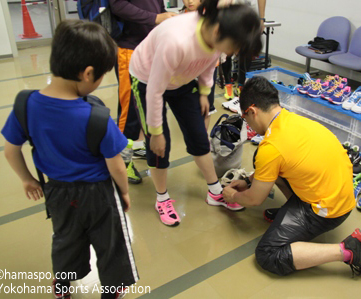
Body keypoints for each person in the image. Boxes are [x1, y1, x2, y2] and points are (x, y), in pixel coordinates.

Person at [1, 20, 138, 299]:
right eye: (101, 77)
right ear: (88, 74)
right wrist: (123, 192)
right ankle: (111, 291)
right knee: (111, 243)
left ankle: (62, 287)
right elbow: (116, 165)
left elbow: (10, 149)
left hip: (58, 192)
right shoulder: (96, 116)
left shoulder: (25, 105)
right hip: (99, 194)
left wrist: (27, 179)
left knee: (65, 239)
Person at [222, 77, 361, 277]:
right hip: (341, 195)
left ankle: (347, 250)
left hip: (328, 211)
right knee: (265, 162)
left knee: (267, 255)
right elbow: (281, 164)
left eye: (246, 118)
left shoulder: (271, 146)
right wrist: (247, 181)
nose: (249, 125)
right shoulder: (292, 119)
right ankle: (291, 212)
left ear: (252, 111)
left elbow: (255, 199)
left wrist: (233, 196)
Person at [129, 0, 262, 226]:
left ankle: (214, 191)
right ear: (219, 31)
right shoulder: (177, 40)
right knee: (160, 145)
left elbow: (208, 63)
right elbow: (154, 90)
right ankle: (161, 198)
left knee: (199, 135)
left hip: (182, 79)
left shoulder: (216, 35)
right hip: (147, 79)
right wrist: (155, 131)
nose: (234, 52)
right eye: (235, 46)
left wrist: (203, 92)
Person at [109, 0, 177, 183]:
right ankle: (121, 161)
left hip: (151, 47)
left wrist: (164, 18)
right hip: (129, 48)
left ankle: (133, 147)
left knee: (147, 103)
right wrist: (155, 18)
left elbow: (158, 6)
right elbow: (118, 5)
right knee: (128, 108)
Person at [180, 0, 217, 130]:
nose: (189, 1)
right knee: (189, 102)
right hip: (187, 68)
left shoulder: (210, 16)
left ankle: (204, 136)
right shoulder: (179, 18)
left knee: (207, 103)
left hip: (208, 67)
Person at [222, 0, 266, 99]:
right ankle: (228, 84)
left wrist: (261, 18)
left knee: (247, 49)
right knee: (227, 48)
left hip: (249, 12)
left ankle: (241, 85)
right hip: (230, 11)